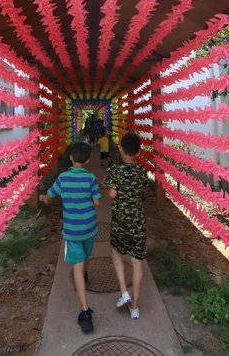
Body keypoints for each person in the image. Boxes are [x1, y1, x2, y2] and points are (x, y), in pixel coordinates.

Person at [44, 141, 102, 333]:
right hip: (89, 227)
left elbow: (50, 196)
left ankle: (85, 312)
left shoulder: (62, 178)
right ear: (87, 160)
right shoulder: (91, 178)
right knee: (87, 256)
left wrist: (46, 198)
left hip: (73, 230)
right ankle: (84, 275)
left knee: (77, 265)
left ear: (70, 157)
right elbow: (98, 202)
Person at [105, 132, 148, 320]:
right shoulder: (142, 170)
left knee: (116, 253)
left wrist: (107, 188)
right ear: (138, 151)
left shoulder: (115, 169)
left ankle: (124, 292)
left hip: (121, 221)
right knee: (137, 262)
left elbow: (112, 194)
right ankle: (135, 307)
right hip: (138, 222)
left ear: (121, 148)